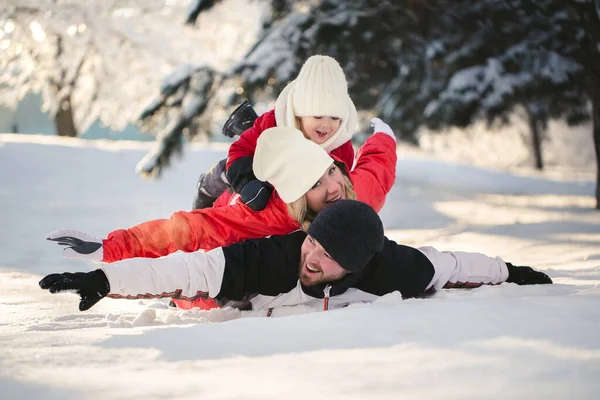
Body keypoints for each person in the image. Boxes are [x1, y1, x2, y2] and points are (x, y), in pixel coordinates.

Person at [39, 200, 553, 313]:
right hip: (229, 304)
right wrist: (106, 280)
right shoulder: (275, 257)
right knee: (193, 293)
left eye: (327, 257)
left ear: (355, 266)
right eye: (313, 241)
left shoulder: (397, 268)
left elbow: (454, 265)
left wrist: (511, 272)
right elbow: (188, 269)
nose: (311, 256)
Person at [46, 121, 396, 264]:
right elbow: (185, 230)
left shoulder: (353, 196)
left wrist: (383, 132)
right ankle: (215, 179)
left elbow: (378, 164)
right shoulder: (264, 219)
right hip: (233, 205)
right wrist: (108, 247)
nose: (334, 187)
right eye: (316, 184)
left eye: (331, 170)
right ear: (297, 197)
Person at [193, 54, 359, 211]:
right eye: (317, 116)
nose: (327, 125)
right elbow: (240, 150)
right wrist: (246, 183)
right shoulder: (274, 123)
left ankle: (247, 124)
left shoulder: (341, 147)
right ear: (299, 114)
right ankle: (207, 187)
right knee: (234, 167)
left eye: (335, 118)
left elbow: (341, 183)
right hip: (262, 167)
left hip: (292, 186)